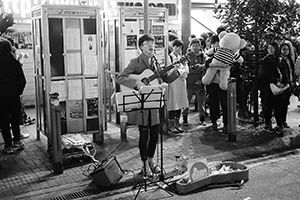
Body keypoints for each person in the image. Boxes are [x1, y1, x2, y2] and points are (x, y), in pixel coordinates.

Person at [116, 34, 182, 176]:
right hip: (142, 105)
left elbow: (166, 78)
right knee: (144, 134)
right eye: (147, 44)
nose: (151, 46)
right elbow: (120, 78)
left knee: (154, 134)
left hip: (155, 103)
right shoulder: (136, 62)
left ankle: (151, 161)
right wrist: (136, 84)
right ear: (141, 46)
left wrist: (177, 71)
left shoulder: (156, 62)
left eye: (152, 44)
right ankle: (144, 164)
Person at [0, 39, 26, 154]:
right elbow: (22, 81)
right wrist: (18, 92)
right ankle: (17, 141)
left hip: (1, 97)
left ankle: (8, 145)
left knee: (4, 121)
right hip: (14, 95)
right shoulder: (14, 62)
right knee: (15, 119)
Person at [261, 42, 289, 136]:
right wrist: (276, 82)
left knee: (279, 107)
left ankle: (279, 124)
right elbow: (265, 74)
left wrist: (284, 82)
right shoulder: (266, 60)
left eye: (272, 48)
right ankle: (268, 124)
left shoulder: (280, 59)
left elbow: (285, 72)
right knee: (268, 106)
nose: (270, 50)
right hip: (269, 87)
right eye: (269, 48)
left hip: (279, 86)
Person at [182, 38, 207, 126]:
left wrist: (197, 67)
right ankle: (185, 120)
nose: (195, 47)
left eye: (196, 45)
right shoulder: (187, 56)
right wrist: (195, 68)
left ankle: (202, 119)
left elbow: (205, 67)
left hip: (200, 83)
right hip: (189, 83)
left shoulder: (203, 56)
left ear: (200, 46)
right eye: (193, 46)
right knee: (186, 102)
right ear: (190, 46)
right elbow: (185, 69)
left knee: (201, 103)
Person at [167, 39, 189, 133]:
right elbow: (168, 70)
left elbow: (186, 68)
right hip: (173, 83)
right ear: (173, 47)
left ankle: (177, 123)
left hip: (181, 82)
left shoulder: (182, 58)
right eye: (177, 46)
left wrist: (184, 72)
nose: (178, 49)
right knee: (173, 103)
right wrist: (180, 71)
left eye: (180, 47)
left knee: (180, 102)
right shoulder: (169, 57)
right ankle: (171, 124)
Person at [278, 42, 296, 129]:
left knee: (285, 104)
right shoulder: (279, 60)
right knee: (281, 104)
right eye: (284, 49)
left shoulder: (289, 60)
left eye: (287, 49)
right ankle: (280, 122)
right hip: (284, 84)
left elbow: (292, 71)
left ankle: (284, 121)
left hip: (290, 83)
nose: (285, 51)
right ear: (280, 50)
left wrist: (293, 81)